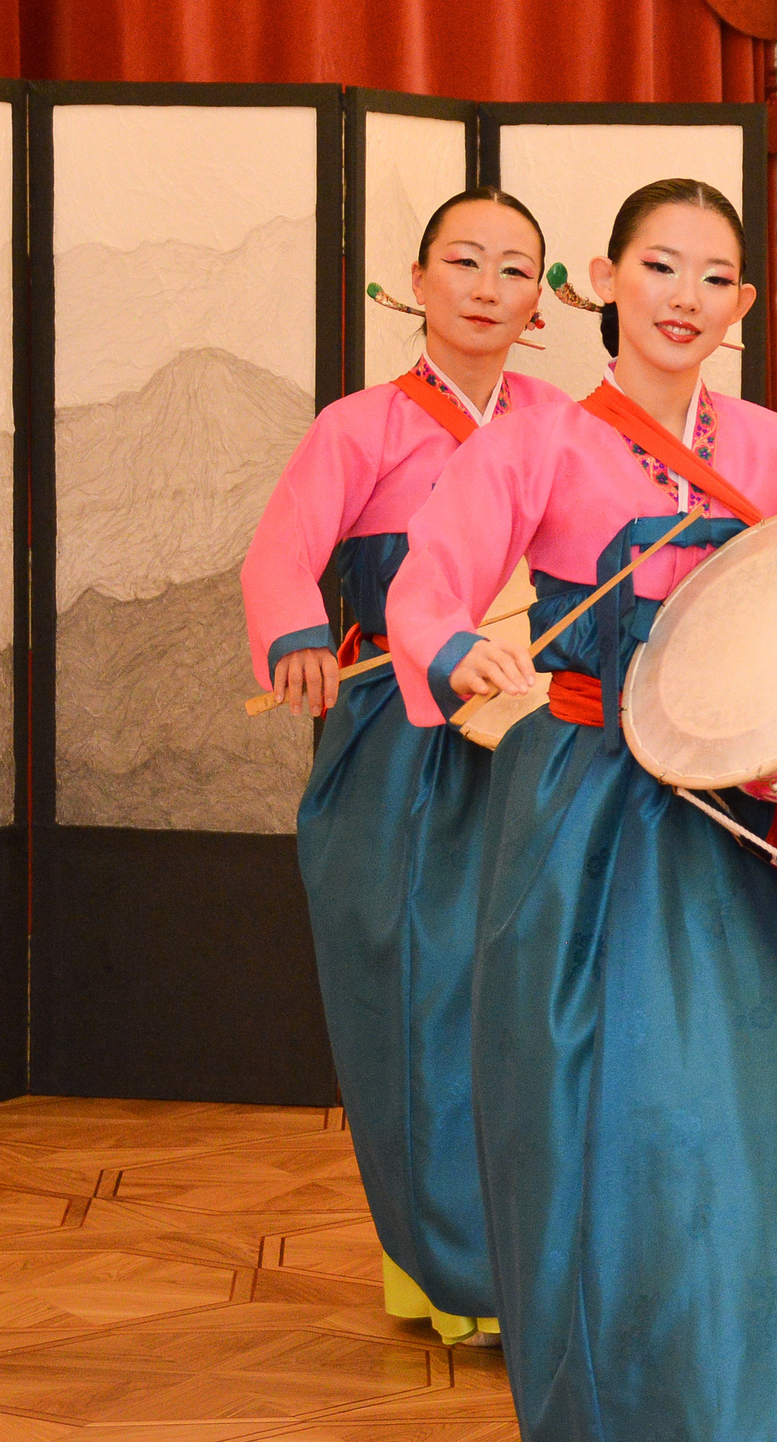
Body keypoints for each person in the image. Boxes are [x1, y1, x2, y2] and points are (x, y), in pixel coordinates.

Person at [383, 178, 777, 1442]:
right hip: (595, 821)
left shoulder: (776, 447)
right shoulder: (536, 442)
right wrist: (459, 652)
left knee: (765, 1119)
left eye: (714, 274)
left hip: (745, 819)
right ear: (604, 279)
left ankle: (754, 1423)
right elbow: (424, 591)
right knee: (639, 1127)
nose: (685, 296)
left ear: (743, 302)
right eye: (660, 266)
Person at [240, 188, 564, 1348]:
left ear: (540, 304)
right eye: (463, 261)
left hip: (535, 729)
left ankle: (538, 1261)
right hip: (401, 740)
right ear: (415, 282)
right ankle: (448, 1267)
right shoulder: (360, 426)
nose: (486, 286)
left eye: (514, 268)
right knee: (424, 997)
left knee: (534, 1000)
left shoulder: (561, 422)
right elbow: (282, 553)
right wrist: (296, 635)